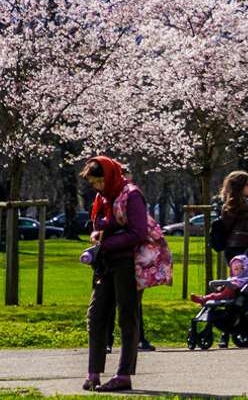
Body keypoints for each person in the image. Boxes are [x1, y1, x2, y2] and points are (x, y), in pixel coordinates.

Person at [81, 156, 147, 392]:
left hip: (128, 263)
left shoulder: (131, 195)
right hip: (106, 263)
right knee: (96, 315)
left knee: (127, 317)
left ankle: (124, 374)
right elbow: (98, 225)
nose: (97, 186)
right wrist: (96, 235)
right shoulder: (103, 198)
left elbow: (139, 232)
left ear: (109, 175)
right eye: (93, 183)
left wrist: (107, 243)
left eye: (99, 181)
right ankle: (93, 372)